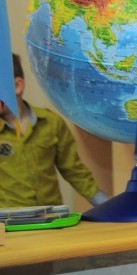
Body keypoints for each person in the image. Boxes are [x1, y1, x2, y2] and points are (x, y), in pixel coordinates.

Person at [0, 53, 108, 208]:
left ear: (17, 86)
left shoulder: (51, 123)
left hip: (51, 216)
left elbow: (74, 170)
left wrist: (104, 204)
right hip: (9, 219)